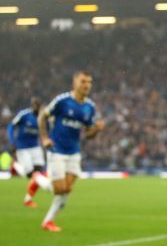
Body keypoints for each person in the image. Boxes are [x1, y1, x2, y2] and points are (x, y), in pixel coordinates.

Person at [38, 71, 105, 232]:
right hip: (57, 150)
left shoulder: (90, 107)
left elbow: (88, 135)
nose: (86, 85)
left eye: (89, 82)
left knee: (67, 189)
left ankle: (48, 221)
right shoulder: (62, 101)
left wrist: (96, 130)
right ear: (75, 82)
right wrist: (45, 138)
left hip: (74, 152)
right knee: (59, 189)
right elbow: (42, 117)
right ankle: (37, 178)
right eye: (83, 81)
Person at [6, 98, 52, 207]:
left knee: (39, 173)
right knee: (29, 175)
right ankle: (15, 165)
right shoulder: (24, 115)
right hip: (23, 148)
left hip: (35, 147)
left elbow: (49, 130)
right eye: (34, 105)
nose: (36, 107)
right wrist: (12, 141)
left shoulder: (42, 118)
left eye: (38, 105)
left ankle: (28, 199)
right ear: (32, 106)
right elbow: (11, 126)